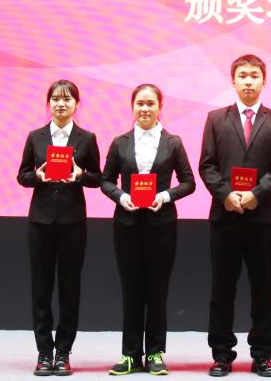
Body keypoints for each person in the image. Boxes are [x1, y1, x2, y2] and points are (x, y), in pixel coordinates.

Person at [198, 54, 271, 377]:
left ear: (264, 81)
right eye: (243, 75)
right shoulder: (215, 119)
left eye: (254, 75)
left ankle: (262, 355)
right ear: (233, 80)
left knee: (263, 289)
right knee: (222, 289)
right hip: (225, 216)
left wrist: (256, 194)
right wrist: (226, 194)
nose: (248, 81)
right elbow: (207, 165)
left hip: (261, 217)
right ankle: (222, 354)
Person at [101, 84, 197, 376]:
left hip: (161, 226)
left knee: (157, 291)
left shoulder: (173, 143)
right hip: (127, 226)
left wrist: (164, 196)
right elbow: (106, 181)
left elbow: (189, 182)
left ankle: (155, 353)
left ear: (160, 107)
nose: (145, 108)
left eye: (150, 103)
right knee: (131, 290)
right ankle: (130, 354)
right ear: (132, 107)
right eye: (140, 103)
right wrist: (122, 197)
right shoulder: (119, 142)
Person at [16, 79, 103, 377]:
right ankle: (44, 352)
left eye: (67, 99)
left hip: (72, 223)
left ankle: (63, 351)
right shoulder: (35, 136)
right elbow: (22, 176)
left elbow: (98, 178)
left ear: (77, 104)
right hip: (40, 222)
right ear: (48, 103)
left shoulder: (87, 138)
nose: (60, 103)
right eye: (55, 98)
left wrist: (80, 175)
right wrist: (38, 177)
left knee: (70, 288)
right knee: (41, 288)